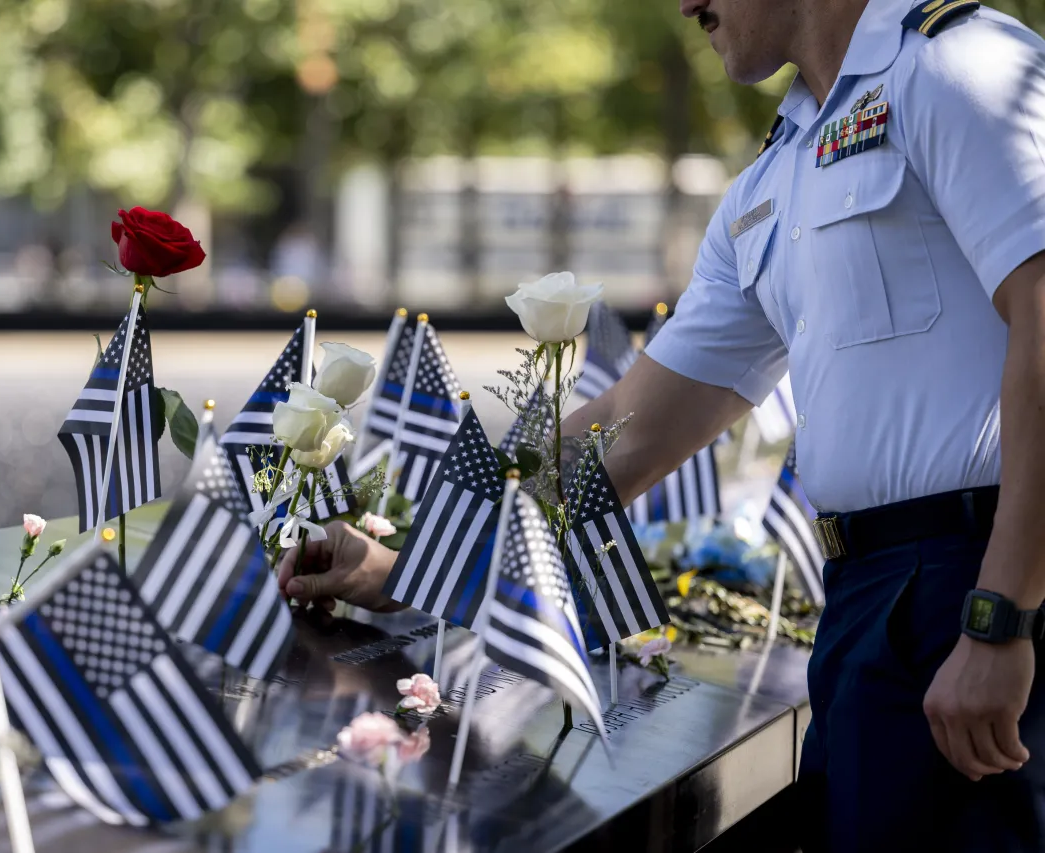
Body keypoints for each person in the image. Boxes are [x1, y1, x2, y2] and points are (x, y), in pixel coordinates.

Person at [280, 0, 1045, 849]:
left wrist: (1002, 615)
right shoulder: (775, 175)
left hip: (983, 582)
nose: (684, 6)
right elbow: (625, 427)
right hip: (868, 605)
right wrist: (417, 558)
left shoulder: (959, 64)